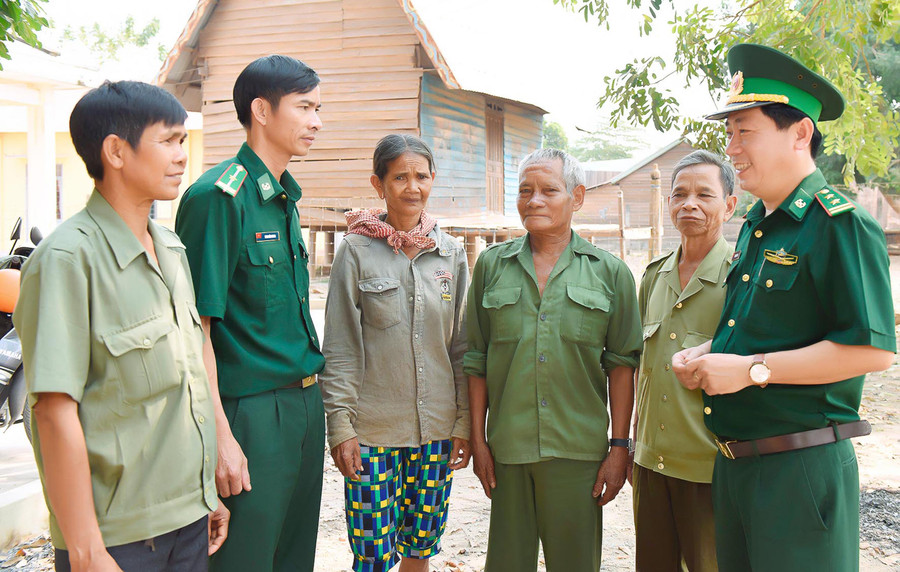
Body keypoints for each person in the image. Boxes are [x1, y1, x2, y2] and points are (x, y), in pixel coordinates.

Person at [673, 44, 895, 571]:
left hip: (799, 468)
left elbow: (872, 351)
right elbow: (767, 329)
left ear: (799, 133)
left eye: (744, 132)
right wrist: (711, 353)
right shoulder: (757, 224)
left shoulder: (839, 224)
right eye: (729, 134)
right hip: (736, 465)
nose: (731, 148)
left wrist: (751, 370)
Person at [13, 80, 229, 572]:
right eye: (168, 140)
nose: (182, 155)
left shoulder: (170, 249)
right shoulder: (67, 261)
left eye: (183, 140)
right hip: (119, 540)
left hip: (188, 520)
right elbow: (53, 413)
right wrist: (87, 550)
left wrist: (203, 494)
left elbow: (187, 382)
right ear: (115, 151)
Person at [174, 55, 325, 572]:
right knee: (245, 560)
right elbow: (195, 329)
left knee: (293, 558)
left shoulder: (283, 198)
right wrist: (219, 436)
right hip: (250, 414)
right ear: (262, 110)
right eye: (304, 107)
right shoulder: (219, 197)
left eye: (318, 109)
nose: (316, 122)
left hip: (304, 405)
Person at [464, 148, 642, 571]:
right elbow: (476, 359)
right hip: (509, 449)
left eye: (549, 190)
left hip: (577, 452)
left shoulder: (610, 273)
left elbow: (621, 366)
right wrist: (478, 441)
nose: (534, 200)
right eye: (525, 191)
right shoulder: (491, 266)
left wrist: (619, 448)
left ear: (576, 197)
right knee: (506, 565)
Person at [319, 134, 470, 572]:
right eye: (400, 177)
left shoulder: (451, 253)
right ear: (378, 184)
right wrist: (341, 427)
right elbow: (341, 347)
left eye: (421, 176)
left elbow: (461, 347)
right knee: (372, 554)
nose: (412, 187)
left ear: (433, 179)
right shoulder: (356, 251)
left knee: (421, 547)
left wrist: (463, 421)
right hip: (373, 432)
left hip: (436, 431)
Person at [631, 150, 737, 571]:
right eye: (680, 195)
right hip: (650, 464)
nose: (689, 204)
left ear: (729, 205)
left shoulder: (740, 278)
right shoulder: (653, 276)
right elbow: (642, 366)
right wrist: (633, 444)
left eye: (704, 195)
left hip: (709, 467)